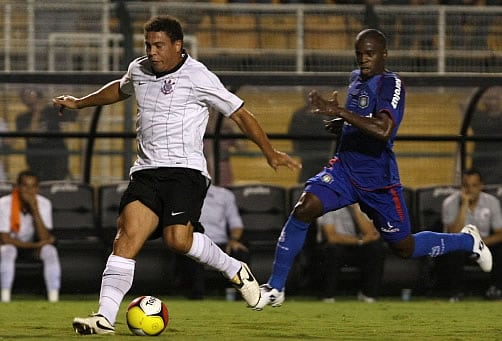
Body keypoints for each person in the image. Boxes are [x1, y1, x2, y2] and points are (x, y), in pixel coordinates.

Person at [52, 15, 300, 334]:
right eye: (148, 45)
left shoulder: (198, 76)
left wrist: (269, 152)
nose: (152, 52)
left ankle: (236, 269)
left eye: (159, 45)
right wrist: (79, 104)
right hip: (146, 171)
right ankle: (104, 317)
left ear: (177, 45)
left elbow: (240, 113)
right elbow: (119, 89)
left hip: (186, 172)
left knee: (177, 240)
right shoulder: (138, 69)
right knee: (125, 238)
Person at [253, 28, 492, 311]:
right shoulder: (355, 79)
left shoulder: (392, 84)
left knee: (403, 247)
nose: (363, 60)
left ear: (384, 54)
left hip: (378, 182)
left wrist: (341, 112)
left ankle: (467, 241)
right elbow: (360, 121)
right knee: (305, 207)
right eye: (359, 54)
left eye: (369, 54)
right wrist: (341, 126)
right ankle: (276, 288)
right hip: (344, 170)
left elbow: (383, 128)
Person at [179, 183, 249, 299]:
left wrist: (234, 240)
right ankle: (196, 296)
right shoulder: (183, 193)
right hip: (194, 240)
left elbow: (235, 223)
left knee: (240, 251)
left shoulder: (225, 195)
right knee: (190, 251)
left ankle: (243, 294)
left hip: (221, 243)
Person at [441, 168, 502, 301]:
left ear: (481, 186)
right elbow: (453, 234)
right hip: (461, 245)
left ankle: (496, 289)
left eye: (474, 185)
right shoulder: (450, 203)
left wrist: (479, 244)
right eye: (466, 185)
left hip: (485, 244)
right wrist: (464, 205)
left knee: (500, 249)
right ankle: (457, 292)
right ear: (461, 186)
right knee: (452, 249)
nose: (470, 189)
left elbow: (499, 234)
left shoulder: (492, 202)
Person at [0, 170, 61, 303]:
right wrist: (37, 244)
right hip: (12, 245)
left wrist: (34, 209)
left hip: (34, 246)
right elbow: (4, 239)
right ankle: (4, 296)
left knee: (50, 251)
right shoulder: (4, 203)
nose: (29, 190)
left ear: (38, 188)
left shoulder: (44, 203)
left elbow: (44, 237)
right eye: (25, 186)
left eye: (33, 186)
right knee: (7, 251)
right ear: (18, 187)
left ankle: (53, 297)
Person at [317, 203, 385, 303]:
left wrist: (357, 210)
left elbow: (371, 234)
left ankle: (368, 294)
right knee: (332, 249)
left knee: (376, 248)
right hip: (335, 246)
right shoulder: (329, 205)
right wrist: (360, 240)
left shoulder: (364, 204)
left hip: (356, 246)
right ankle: (328, 295)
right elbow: (331, 236)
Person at [16, 87, 76, 181]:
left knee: (57, 182)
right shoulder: (22, 118)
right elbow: (31, 136)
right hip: (36, 160)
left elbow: (75, 116)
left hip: (57, 158)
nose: (28, 97)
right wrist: (37, 113)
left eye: (31, 94)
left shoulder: (53, 111)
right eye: (25, 96)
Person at [288, 95, 334, 183]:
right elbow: (293, 135)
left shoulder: (330, 113)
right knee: (305, 187)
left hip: (327, 158)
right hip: (307, 160)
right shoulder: (299, 114)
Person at [469, 88, 502, 184]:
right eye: (489, 98)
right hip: (480, 162)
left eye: (495, 98)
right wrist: (478, 91)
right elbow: (464, 105)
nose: (492, 101)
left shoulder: (478, 116)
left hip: (498, 163)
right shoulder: (478, 116)